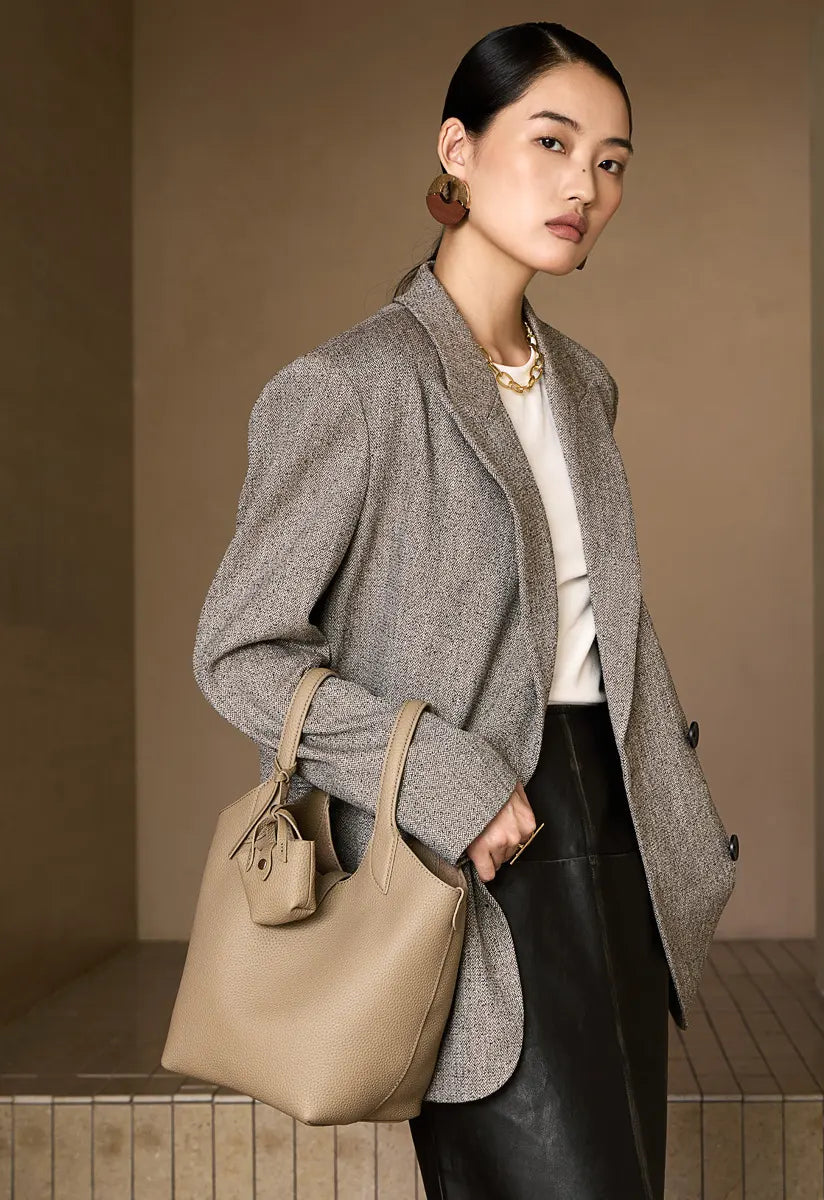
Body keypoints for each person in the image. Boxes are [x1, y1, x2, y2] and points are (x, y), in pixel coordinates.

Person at [191, 20, 739, 1200]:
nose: (583, 185)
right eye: (550, 141)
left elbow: (595, 628)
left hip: (618, 836)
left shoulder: (586, 386)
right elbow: (237, 652)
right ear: (458, 148)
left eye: (611, 161)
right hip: (479, 852)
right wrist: (444, 777)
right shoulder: (351, 388)